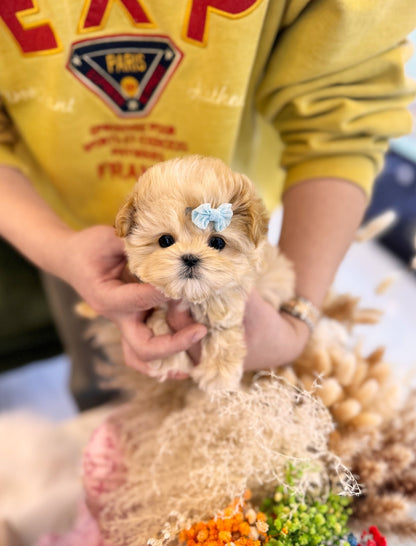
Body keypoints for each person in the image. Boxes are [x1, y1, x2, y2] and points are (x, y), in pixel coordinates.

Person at [0, 1, 415, 407]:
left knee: (237, 392)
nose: (190, 257)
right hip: (57, 220)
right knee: (104, 381)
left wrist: (296, 314)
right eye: (167, 241)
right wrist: (56, 247)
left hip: (250, 202)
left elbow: (343, 114)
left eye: (210, 245)